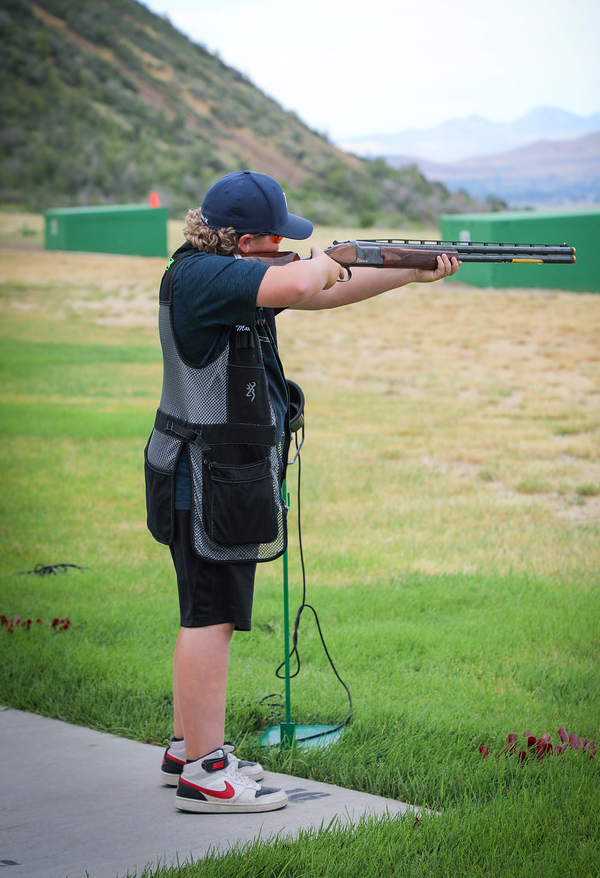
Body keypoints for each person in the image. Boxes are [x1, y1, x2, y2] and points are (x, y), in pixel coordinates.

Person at [144, 169, 459, 814]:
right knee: (211, 617)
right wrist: (323, 260)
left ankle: (188, 748)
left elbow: (320, 292)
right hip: (205, 479)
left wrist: (410, 270)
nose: (288, 248)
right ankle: (205, 772)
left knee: (210, 612)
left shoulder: (222, 274)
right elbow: (302, 279)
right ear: (246, 241)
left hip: (211, 475)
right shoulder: (209, 276)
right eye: (276, 239)